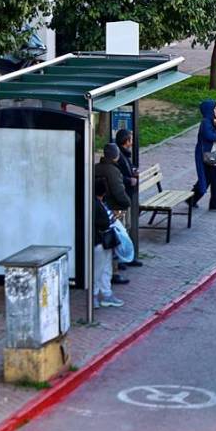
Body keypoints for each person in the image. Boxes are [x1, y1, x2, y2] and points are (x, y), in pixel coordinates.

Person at [188, 99, 216, 211]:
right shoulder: (205, 122)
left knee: (211, 178)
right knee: (213, 179)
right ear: (210, 110)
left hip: (214, 154)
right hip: (208, 155)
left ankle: (193, 200)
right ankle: (212, 203)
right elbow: (210, 136)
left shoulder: (215, 121)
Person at [114, 129, 143, 270]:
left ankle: (127, 257)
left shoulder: (124, 155)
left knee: (127, 226)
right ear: (126, 141)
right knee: (122, 228)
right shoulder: (119, 157)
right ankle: (122, 259)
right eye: (130, 140)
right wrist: (130, 179)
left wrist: (133, 170)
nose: (132, 143)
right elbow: (118, 177)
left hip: (127, 197)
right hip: (122, 198)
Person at [93, 179, 123, 308]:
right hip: (100, 242)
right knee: (100, 270)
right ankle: (96, 296)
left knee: (103, 268)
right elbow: (104, 222)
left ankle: (105, 294)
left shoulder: (94, 203)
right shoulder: (98, 205)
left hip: (101, 242)